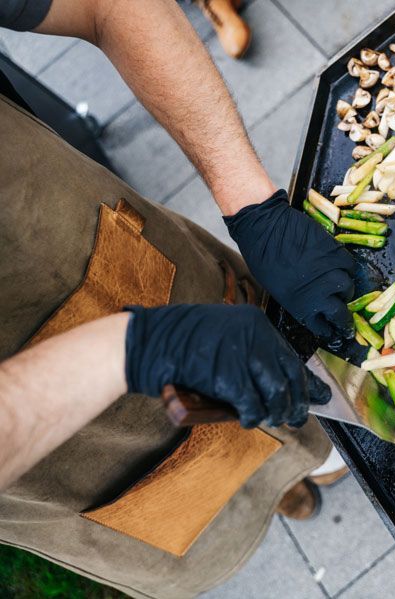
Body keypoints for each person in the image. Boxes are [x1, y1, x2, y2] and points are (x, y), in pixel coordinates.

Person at [0, 0, 354, 596]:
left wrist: (253, 205)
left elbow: (102, 5)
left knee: (303, 412)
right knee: (204, 518)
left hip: (127, 258)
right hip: (57, 467)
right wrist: (134, 350)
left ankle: (305, 461)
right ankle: (276, 494)